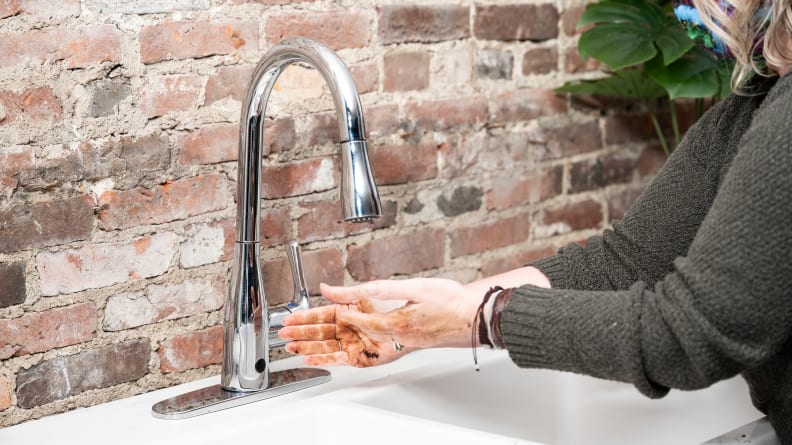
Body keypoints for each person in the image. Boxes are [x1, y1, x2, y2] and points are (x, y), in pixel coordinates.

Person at [279, 0, 792, 441]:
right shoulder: (754, 106)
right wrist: (440, 313)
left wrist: (477, 318)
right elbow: (626, 261)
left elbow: (686, 337)